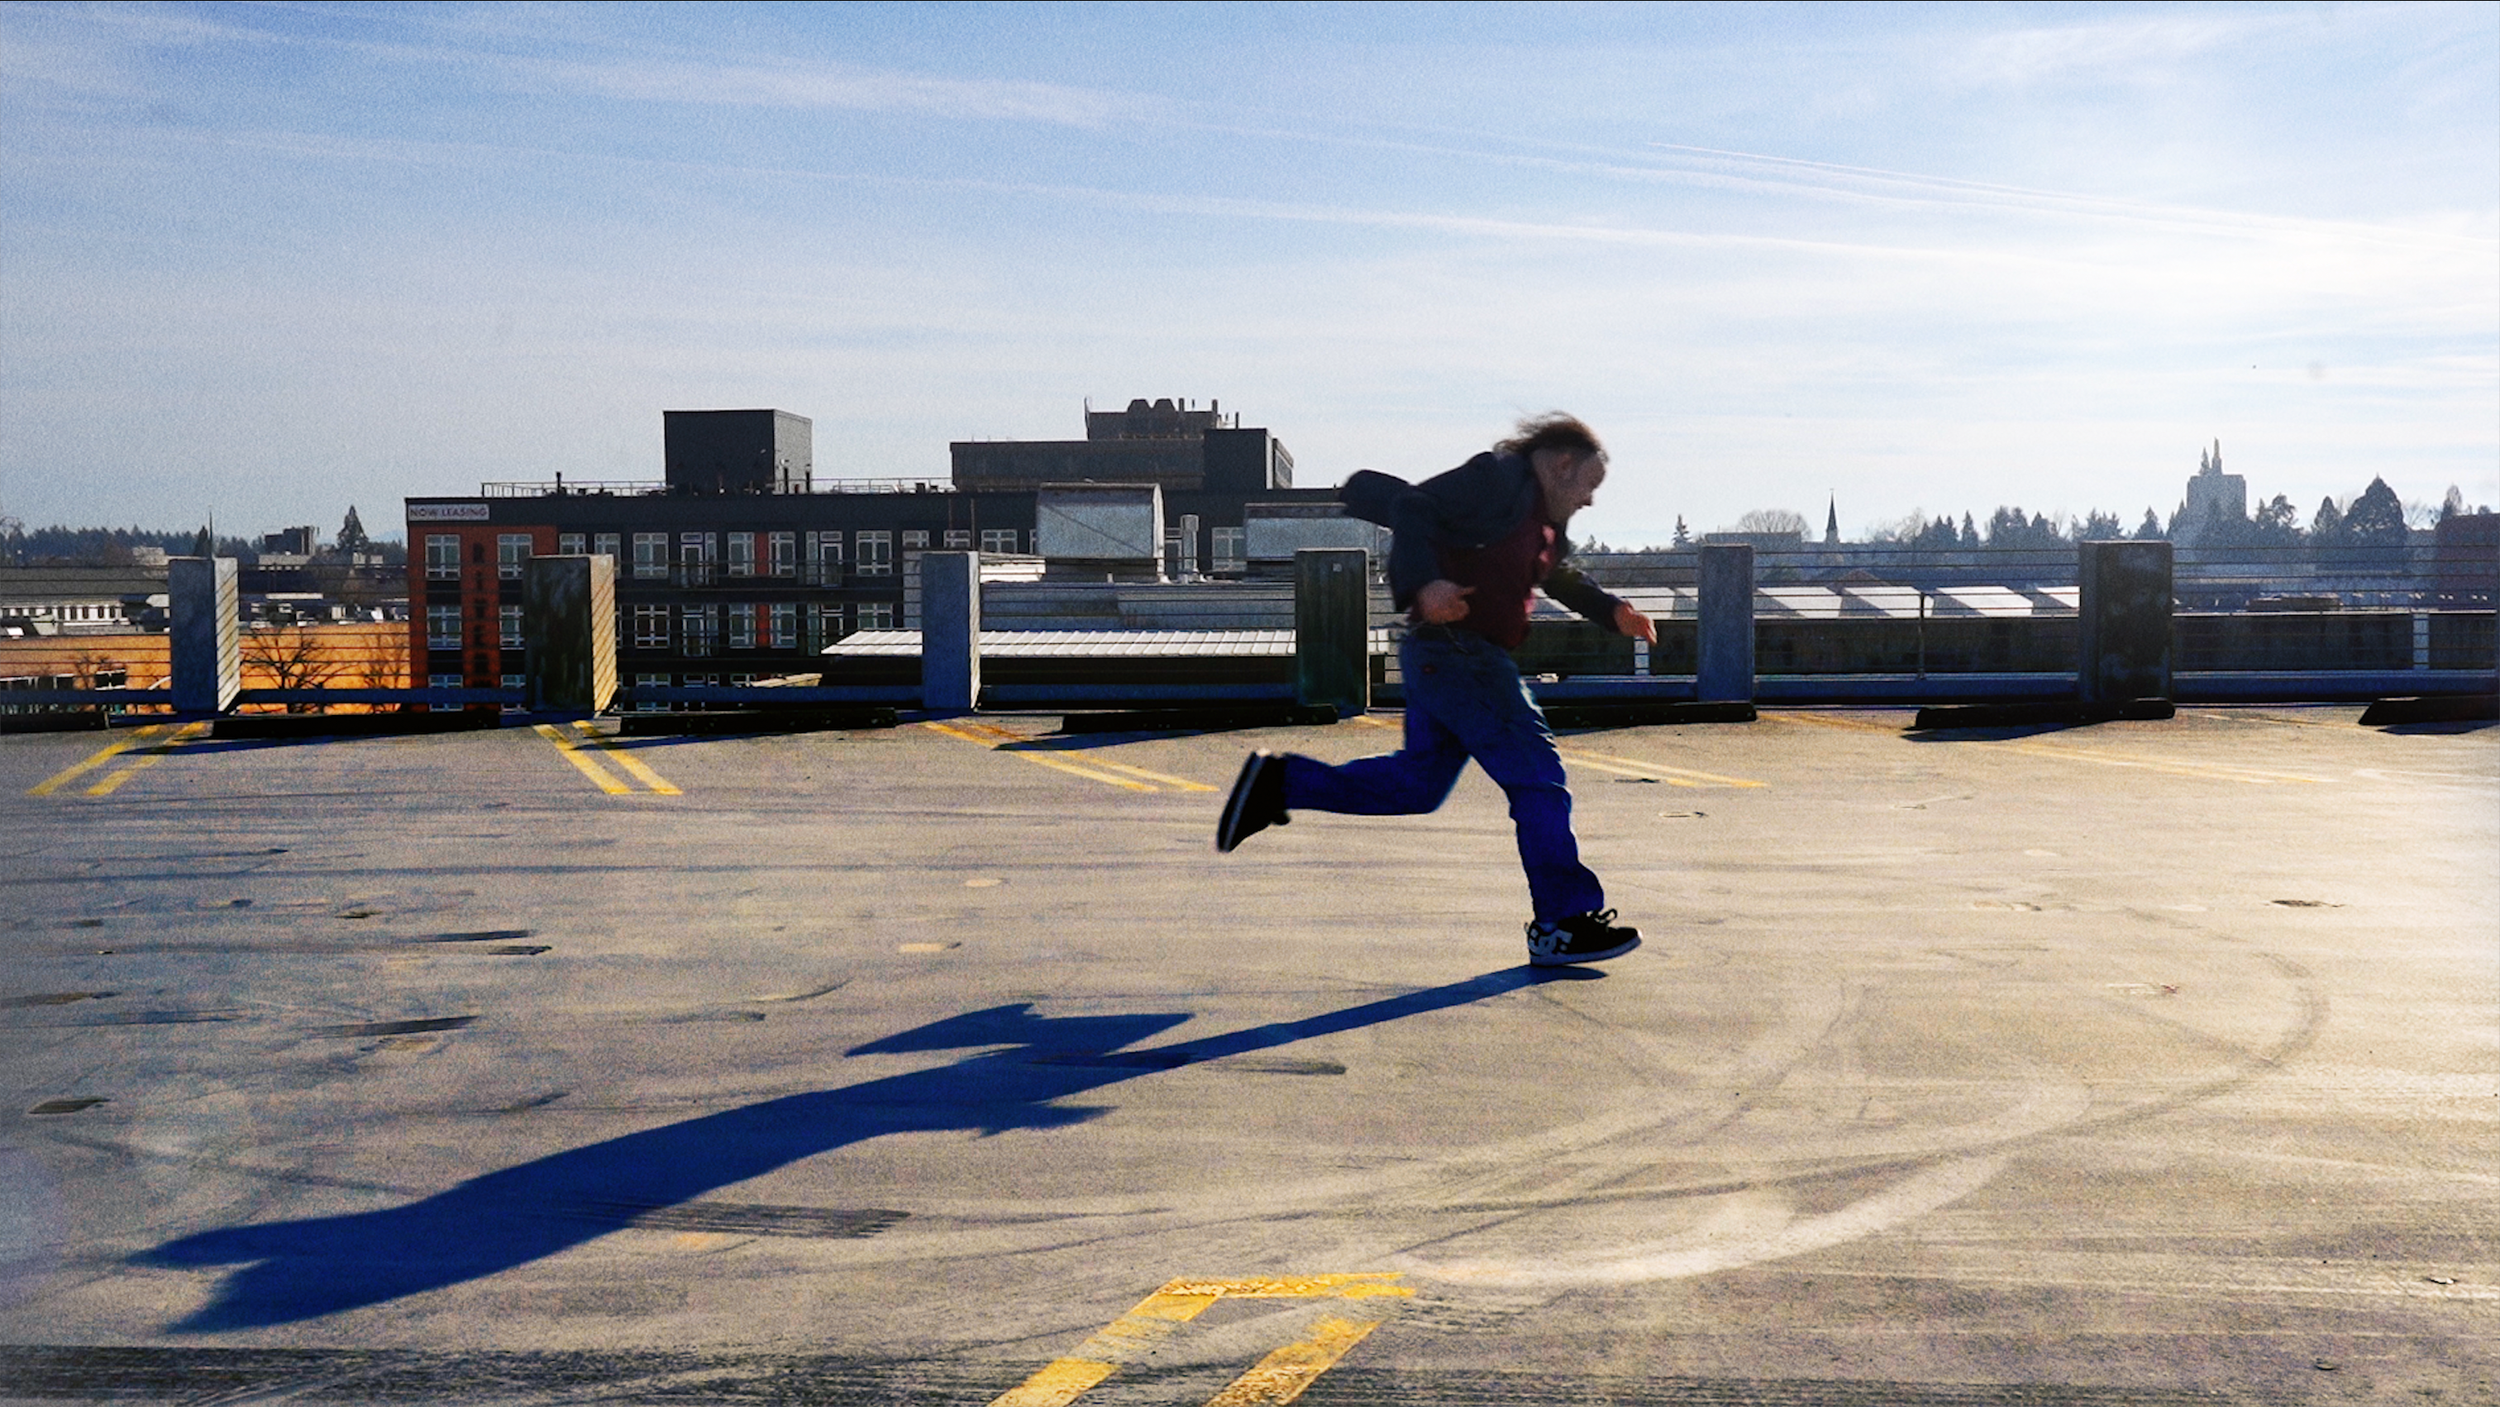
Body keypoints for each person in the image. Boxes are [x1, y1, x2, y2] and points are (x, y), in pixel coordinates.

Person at [1215, 413, 1657, 967]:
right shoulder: (1500, 478)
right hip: (1461, 653)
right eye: (1589, 485)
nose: (1589, 500)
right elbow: (1413, 507)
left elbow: (1560, 575)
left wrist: (1614, 611)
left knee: (1416, 787)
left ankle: (1280, 781)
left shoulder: (1539, 520)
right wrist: (1426, 583)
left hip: (1447, 657)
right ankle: (1562, 922)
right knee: (1538, 778)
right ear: (1562, 464)